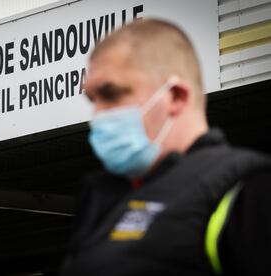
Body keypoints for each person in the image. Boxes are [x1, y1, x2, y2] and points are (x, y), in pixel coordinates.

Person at [60, 19, 271, 276]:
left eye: (112, 94)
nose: (97, 115)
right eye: (93, 99)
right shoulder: (101, 200)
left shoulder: (249, 190)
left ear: (176, 96)